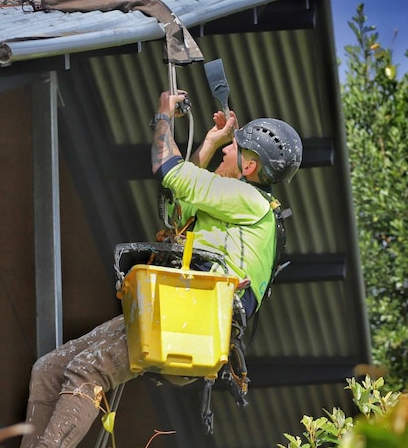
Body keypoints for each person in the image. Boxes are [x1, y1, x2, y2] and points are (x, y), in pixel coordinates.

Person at [19, 90, 303, 448]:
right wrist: (212, 142)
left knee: (86, 370)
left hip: (189, 319)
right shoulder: (238, 208)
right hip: (177, 311)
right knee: (48, 369)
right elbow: (182, 202)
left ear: (249, 167)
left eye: (232, 147)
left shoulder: (248, 201)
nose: (226, 150)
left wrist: (164, 115)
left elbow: (170, 169)